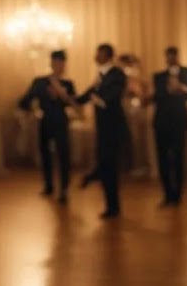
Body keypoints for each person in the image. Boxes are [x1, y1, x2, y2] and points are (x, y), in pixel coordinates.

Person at [77, 44, 129, 219]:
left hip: (114, 129)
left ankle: (113, 207)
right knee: (105, 164)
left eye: (99, 53)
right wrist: (67, 98)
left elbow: (111, 98)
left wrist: (96, 97)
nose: (95, 56)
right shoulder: (100, 77)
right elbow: (84, 97)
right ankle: (108, 202)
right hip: (103, 129)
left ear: (107, 56)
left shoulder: (117, 74)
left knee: (110, 167)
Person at [19, 50, 78, 202]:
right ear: (52, 63)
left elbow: (74, 103)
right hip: (45, 120)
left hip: (61, 121)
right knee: (45, 153)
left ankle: (64, 188)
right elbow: (25, 100)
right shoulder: (40, 82)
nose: (59, 65)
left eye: (62, 63)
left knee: (63, 154)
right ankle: (48, 185)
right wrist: (31, 110)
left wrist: (62, 96)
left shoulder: (68, 84)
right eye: (56, 62)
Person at [150, 46, 187, 207]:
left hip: (179, 121)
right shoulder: (159, 76)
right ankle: (167, 195)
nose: (171, 58)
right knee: (163, 160)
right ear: (166, 58)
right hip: (161, 122)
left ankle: (178, 195)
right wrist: (167, 90)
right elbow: (156, 96)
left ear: (177, 56)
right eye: (168, 56)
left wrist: (182, 89)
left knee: (179, 158)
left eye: (173, 56)